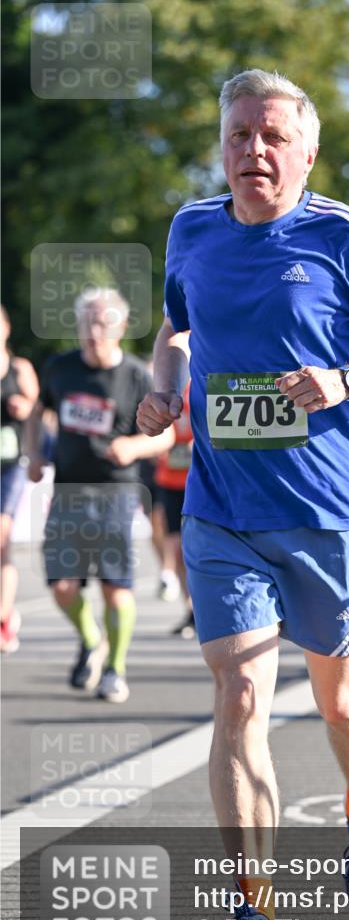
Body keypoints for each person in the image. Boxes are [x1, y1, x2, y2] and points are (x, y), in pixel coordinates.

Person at [137, 68, 349, 920]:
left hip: (329, 513)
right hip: (221, 508)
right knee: (237, 698)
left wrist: (347, 379)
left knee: (338, 704)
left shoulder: (342, 234)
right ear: (222, 145)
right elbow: (175, 327)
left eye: (273, 136)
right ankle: (251, 913)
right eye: (239, 134)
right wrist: (162, 387)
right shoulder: (191, 228)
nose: (254, 151)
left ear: (306, 151)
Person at [26, 288, 174, 701]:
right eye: (87, 323)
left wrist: (133, 447)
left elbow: (166, 439)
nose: (94, 331)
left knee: (115, 587)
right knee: (61, 586)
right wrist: (34, 452)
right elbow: (39, 412)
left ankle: (115, 669)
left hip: (117, 491)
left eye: (103, 323)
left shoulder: (136, 376)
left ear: (121, 327)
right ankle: (92, 640)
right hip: (67, 490)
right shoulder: (60, 369)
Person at [0, 306, 39, 653]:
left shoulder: (19, 368)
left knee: (1, 536)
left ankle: (4, 617)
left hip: (10, 464)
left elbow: (37, 407)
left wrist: (23, 406)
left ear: (7, 328)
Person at [153, 381, 195, 636]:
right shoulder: (167, 385)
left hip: (198, 479)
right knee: (176, 546)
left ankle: (205, 608)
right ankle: (190, 609)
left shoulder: (205, 381)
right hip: (169, 479)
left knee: (198, 546)